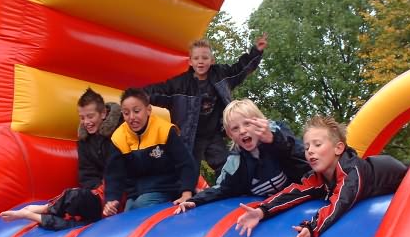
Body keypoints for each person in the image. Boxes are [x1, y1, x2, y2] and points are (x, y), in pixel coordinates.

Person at [235, 115, 408, 237]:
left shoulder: (351, 170)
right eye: (307, 147)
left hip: (403, 178)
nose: (310, 151)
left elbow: (341, 201)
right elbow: (293, 192)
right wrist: (261, 211)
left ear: (338, 148)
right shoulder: (318, 176)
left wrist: (312, 228)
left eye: (317, 145)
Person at [143, 34, 268, 178]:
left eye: (205, 58)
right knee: (187, 170)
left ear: (212, 60)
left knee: (226, 165)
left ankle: (233, 186)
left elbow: (240, 69)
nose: (200, 62)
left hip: (213, 134)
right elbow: (158, 91)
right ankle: (183, 189)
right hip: (191, 136)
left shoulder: (221, 75)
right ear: (190, 61)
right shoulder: (180, 84)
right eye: (196, 58)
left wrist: (256, 52)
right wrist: (137, 96)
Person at [0, 88, 122, 230]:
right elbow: (87, 173)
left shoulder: (120, 134)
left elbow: (123, 169)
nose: (86, 122)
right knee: (77, 201)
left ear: (103, 113)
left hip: (118, 192)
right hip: (99, 195)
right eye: (82, 118)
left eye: (90, 116)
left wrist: (110, 196)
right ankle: (38, 212)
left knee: (76, 200)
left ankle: (40, 211)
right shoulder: (85, 141)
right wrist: (95, 193)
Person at [174, 98, 310, 214]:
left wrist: (274, 140)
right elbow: (221, 188)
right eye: (235, 128)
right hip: (269, 206)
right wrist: (195, 200)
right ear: (230, 135)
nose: (242, 131)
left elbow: (303, 157)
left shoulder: (277, 133)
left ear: (259, 122)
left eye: (247, 124)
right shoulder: (236, 162)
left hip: (301, 195)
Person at [102, 87, 199, 216]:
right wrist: (111, 200)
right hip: (136, 192)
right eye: (126, 113)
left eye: (137, 111)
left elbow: (185, 163)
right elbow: (114, 174)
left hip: (165, 188)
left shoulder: (164, 130)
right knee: (127, 214)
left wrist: (187, 192)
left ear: (148, 110)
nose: (131, 117)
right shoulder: (119, 138)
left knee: (138, 208)